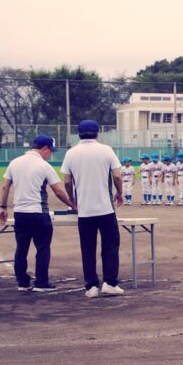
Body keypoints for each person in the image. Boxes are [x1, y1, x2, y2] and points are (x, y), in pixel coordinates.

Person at [0, 135, 75, 292]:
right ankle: (41, 282)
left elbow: (5, 187)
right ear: (45, 148)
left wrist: (3, 207)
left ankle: (22, 283)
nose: (50, 154)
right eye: (51, 151)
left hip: (20, 213)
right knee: (43, 248)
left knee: (21, 247)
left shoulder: (14, 162)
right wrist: (72, 204)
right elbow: (59, 191)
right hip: (38, 213)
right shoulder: (44, 166)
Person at [60, 120, 125, 298]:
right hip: (105, 208)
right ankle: (110, 283)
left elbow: (67, 181)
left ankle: (91, 286)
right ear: (98, 133)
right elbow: (117, 176)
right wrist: (120, 193)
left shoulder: (71, 153)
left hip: (85, 210)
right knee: (110, 246)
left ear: (79, 134)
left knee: (87, 248)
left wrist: (72, 199)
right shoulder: (106, 150)